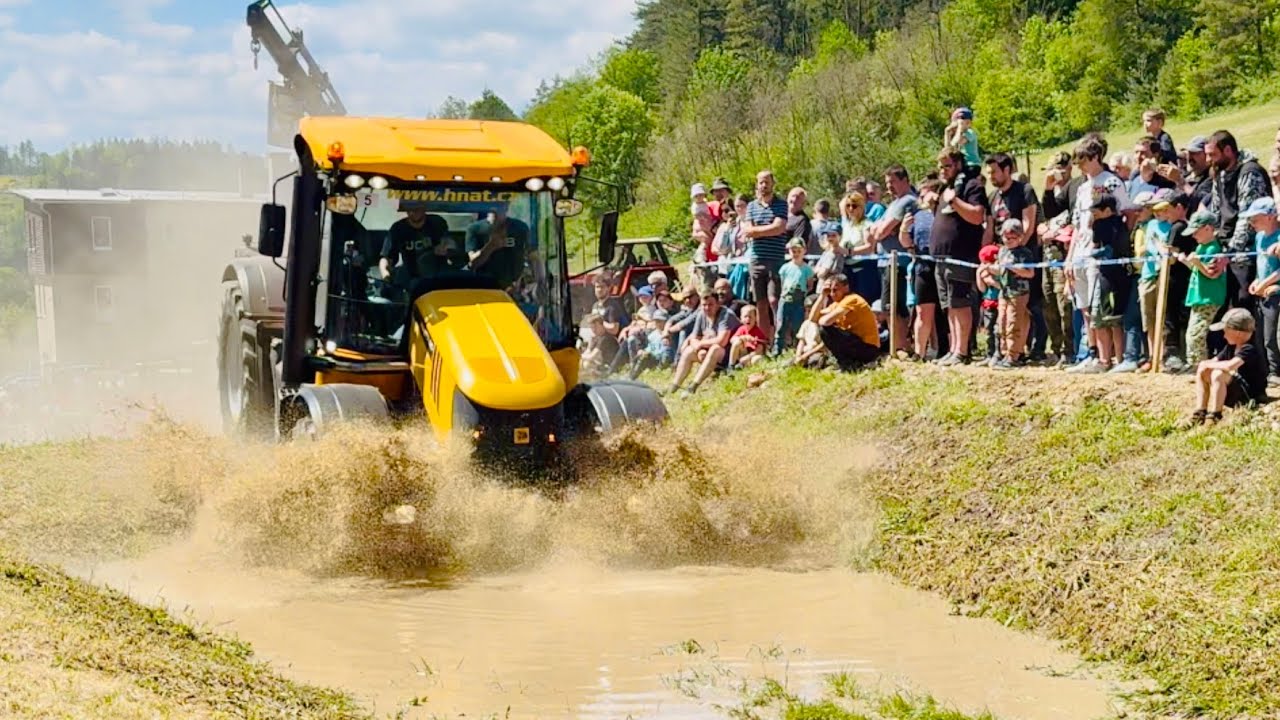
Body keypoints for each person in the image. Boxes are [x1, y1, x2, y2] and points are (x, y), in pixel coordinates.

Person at [931, 149, 991, 366]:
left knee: (960, 302)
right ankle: (954, 348)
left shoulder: (971, 186)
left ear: (958, 165)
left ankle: (963, 351)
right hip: (941, 258)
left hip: (960, 255)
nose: (943, 171)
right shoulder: (945, 188)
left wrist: (955, 201)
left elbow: (977, 216)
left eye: (947, 166)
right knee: (949, 306)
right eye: (940, 167)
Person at [1188, 308, 1268, 426]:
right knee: (1203, 370)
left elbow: (1231, 365)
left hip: (1250, 396)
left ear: (1238, 333)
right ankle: (1200, 412)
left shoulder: (1250, 348)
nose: (1224, 335)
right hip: (1236, 391)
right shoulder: (1231, 347)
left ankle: (1215, 415)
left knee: (1218, 373)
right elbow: (1213, 362)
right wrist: (1204, 366)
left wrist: (1208, 364)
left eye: (1226, 331)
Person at [1085, 194, 1132, 372]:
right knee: (1098, 318)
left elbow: (1114, 248)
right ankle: (1105, 360)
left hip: (1115, 278)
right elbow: (1097, 246)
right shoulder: (1099, 225)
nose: (1094, 215)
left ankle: (1119, 359)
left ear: (1107, 210)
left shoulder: (1117, 224)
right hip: (1103, 275)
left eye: (1096, 212)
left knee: (1114, 320)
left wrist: (1100, 252)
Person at [744, 170, 790, 345]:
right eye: (761, 182)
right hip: (756, 259)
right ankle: (764, 343)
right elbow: (747, 230)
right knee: (761, 303)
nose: (764, 185)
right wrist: (767, 229)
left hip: (775, 259)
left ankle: (781, 339)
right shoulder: (751, 206)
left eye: (767, 182)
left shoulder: (781, 204)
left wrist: (757, 231)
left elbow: (779, 228)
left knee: (774, 300)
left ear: (772, 184)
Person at [1178, 210, 1229, 366]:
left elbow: (1211, 274)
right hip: (1198, 297)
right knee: (1192, 333)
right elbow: (1197, 270)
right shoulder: (1201, 247)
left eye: (1196, 232)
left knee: (1196, 335)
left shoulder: (1213, 249)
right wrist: (1187, 262)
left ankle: (1199, 365)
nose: (1193, 236)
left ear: (1208, 228)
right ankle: (1194, 363)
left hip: (1208, 298)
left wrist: (1196, 262)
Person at [666, 291, 739, 397]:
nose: (707, 308)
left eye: (710, 304)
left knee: (715, 348)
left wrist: (700, 344)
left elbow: (722, 341)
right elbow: (694, 337)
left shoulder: (726, 315)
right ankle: (674, 386)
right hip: (711, 353)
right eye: (704, 305)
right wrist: (698, 347)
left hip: (732, 354)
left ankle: (693, 386)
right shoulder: (701, 314)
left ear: (718, 304)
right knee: (689, 351)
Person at [1242, 196, 1280, 381]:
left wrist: (1266, 284)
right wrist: (1257, 281)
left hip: (1275, 293)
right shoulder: (1259, 237)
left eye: (1255, 218)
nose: (1252, 223)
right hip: (1262, 291)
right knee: (1261, 335)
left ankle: (1275, 372)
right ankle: (1266, 371)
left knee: (1271, 336)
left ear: (1270, 216)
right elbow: (1261, 263)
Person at [815, 274, 882, 370]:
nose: (832, 294)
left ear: (846, 288)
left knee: (825, 329)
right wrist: (822, 296)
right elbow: (812, 319)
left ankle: (848, 364)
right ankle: (847, 363)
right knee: (826, 329)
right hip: (855, 344)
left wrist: (825, 319)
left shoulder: (852, 299)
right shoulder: (837, 304)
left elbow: (825, 322)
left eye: (835, 290)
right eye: (830, 291)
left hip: (868, 348)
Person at [995, 219, 1036, 369]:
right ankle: (1004, 352)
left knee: (1014, 322)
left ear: (1020, 237)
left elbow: (1030, 273)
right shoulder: (1002, 251)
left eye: (1012, 238)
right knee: (1002, 322)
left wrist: (1013, 268)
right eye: (1005, 237)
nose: (1008, 241)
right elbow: (999, 270)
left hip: (1019, 292)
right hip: (1004, 291)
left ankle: (1014, 355)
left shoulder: (1025, 253)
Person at [380, 205, 453, 287]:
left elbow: (451, 245)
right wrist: (385, 275)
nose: (412, 212)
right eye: (409, 209)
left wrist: (447, 249)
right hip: (411, 279)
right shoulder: (398, 228)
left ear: (424, 208)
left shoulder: (437, 222)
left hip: (438, 278)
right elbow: (387, 258)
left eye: (416, 208)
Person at [466, 204, 530, 290]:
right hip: (484, 287)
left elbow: (532, 255)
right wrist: (491, 246)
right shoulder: (475, 228)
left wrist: (539, 279)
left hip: (514, 287)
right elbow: (473, 263)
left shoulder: (520, 227)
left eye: (501, 203)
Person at [775, 238, 815, 354]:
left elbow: (810, 285)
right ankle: (777, 349)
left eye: (799, 251)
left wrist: (802, 293)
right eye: (793, 251)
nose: (796, 254)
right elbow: (782, 283)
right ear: (789, 251)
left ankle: (797, 348)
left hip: (799, 301)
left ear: (804, 251)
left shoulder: (807, 269)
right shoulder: (785, 268)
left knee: (797, 324)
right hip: (785, 299)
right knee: (781, 324)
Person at [729, 305, 768, 369]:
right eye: (745, 316)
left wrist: (748, 357)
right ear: (741, 318)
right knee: (737, 342)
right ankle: (731, 366)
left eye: (750, 317)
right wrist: (743, 337)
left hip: (752, 355)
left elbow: (760, 349)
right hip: (743, 353)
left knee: (757, 359)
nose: (748, 319)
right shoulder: (741, 329)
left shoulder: (758, 331)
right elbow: (732, 340)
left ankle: (744, 366)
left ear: (755, 318)